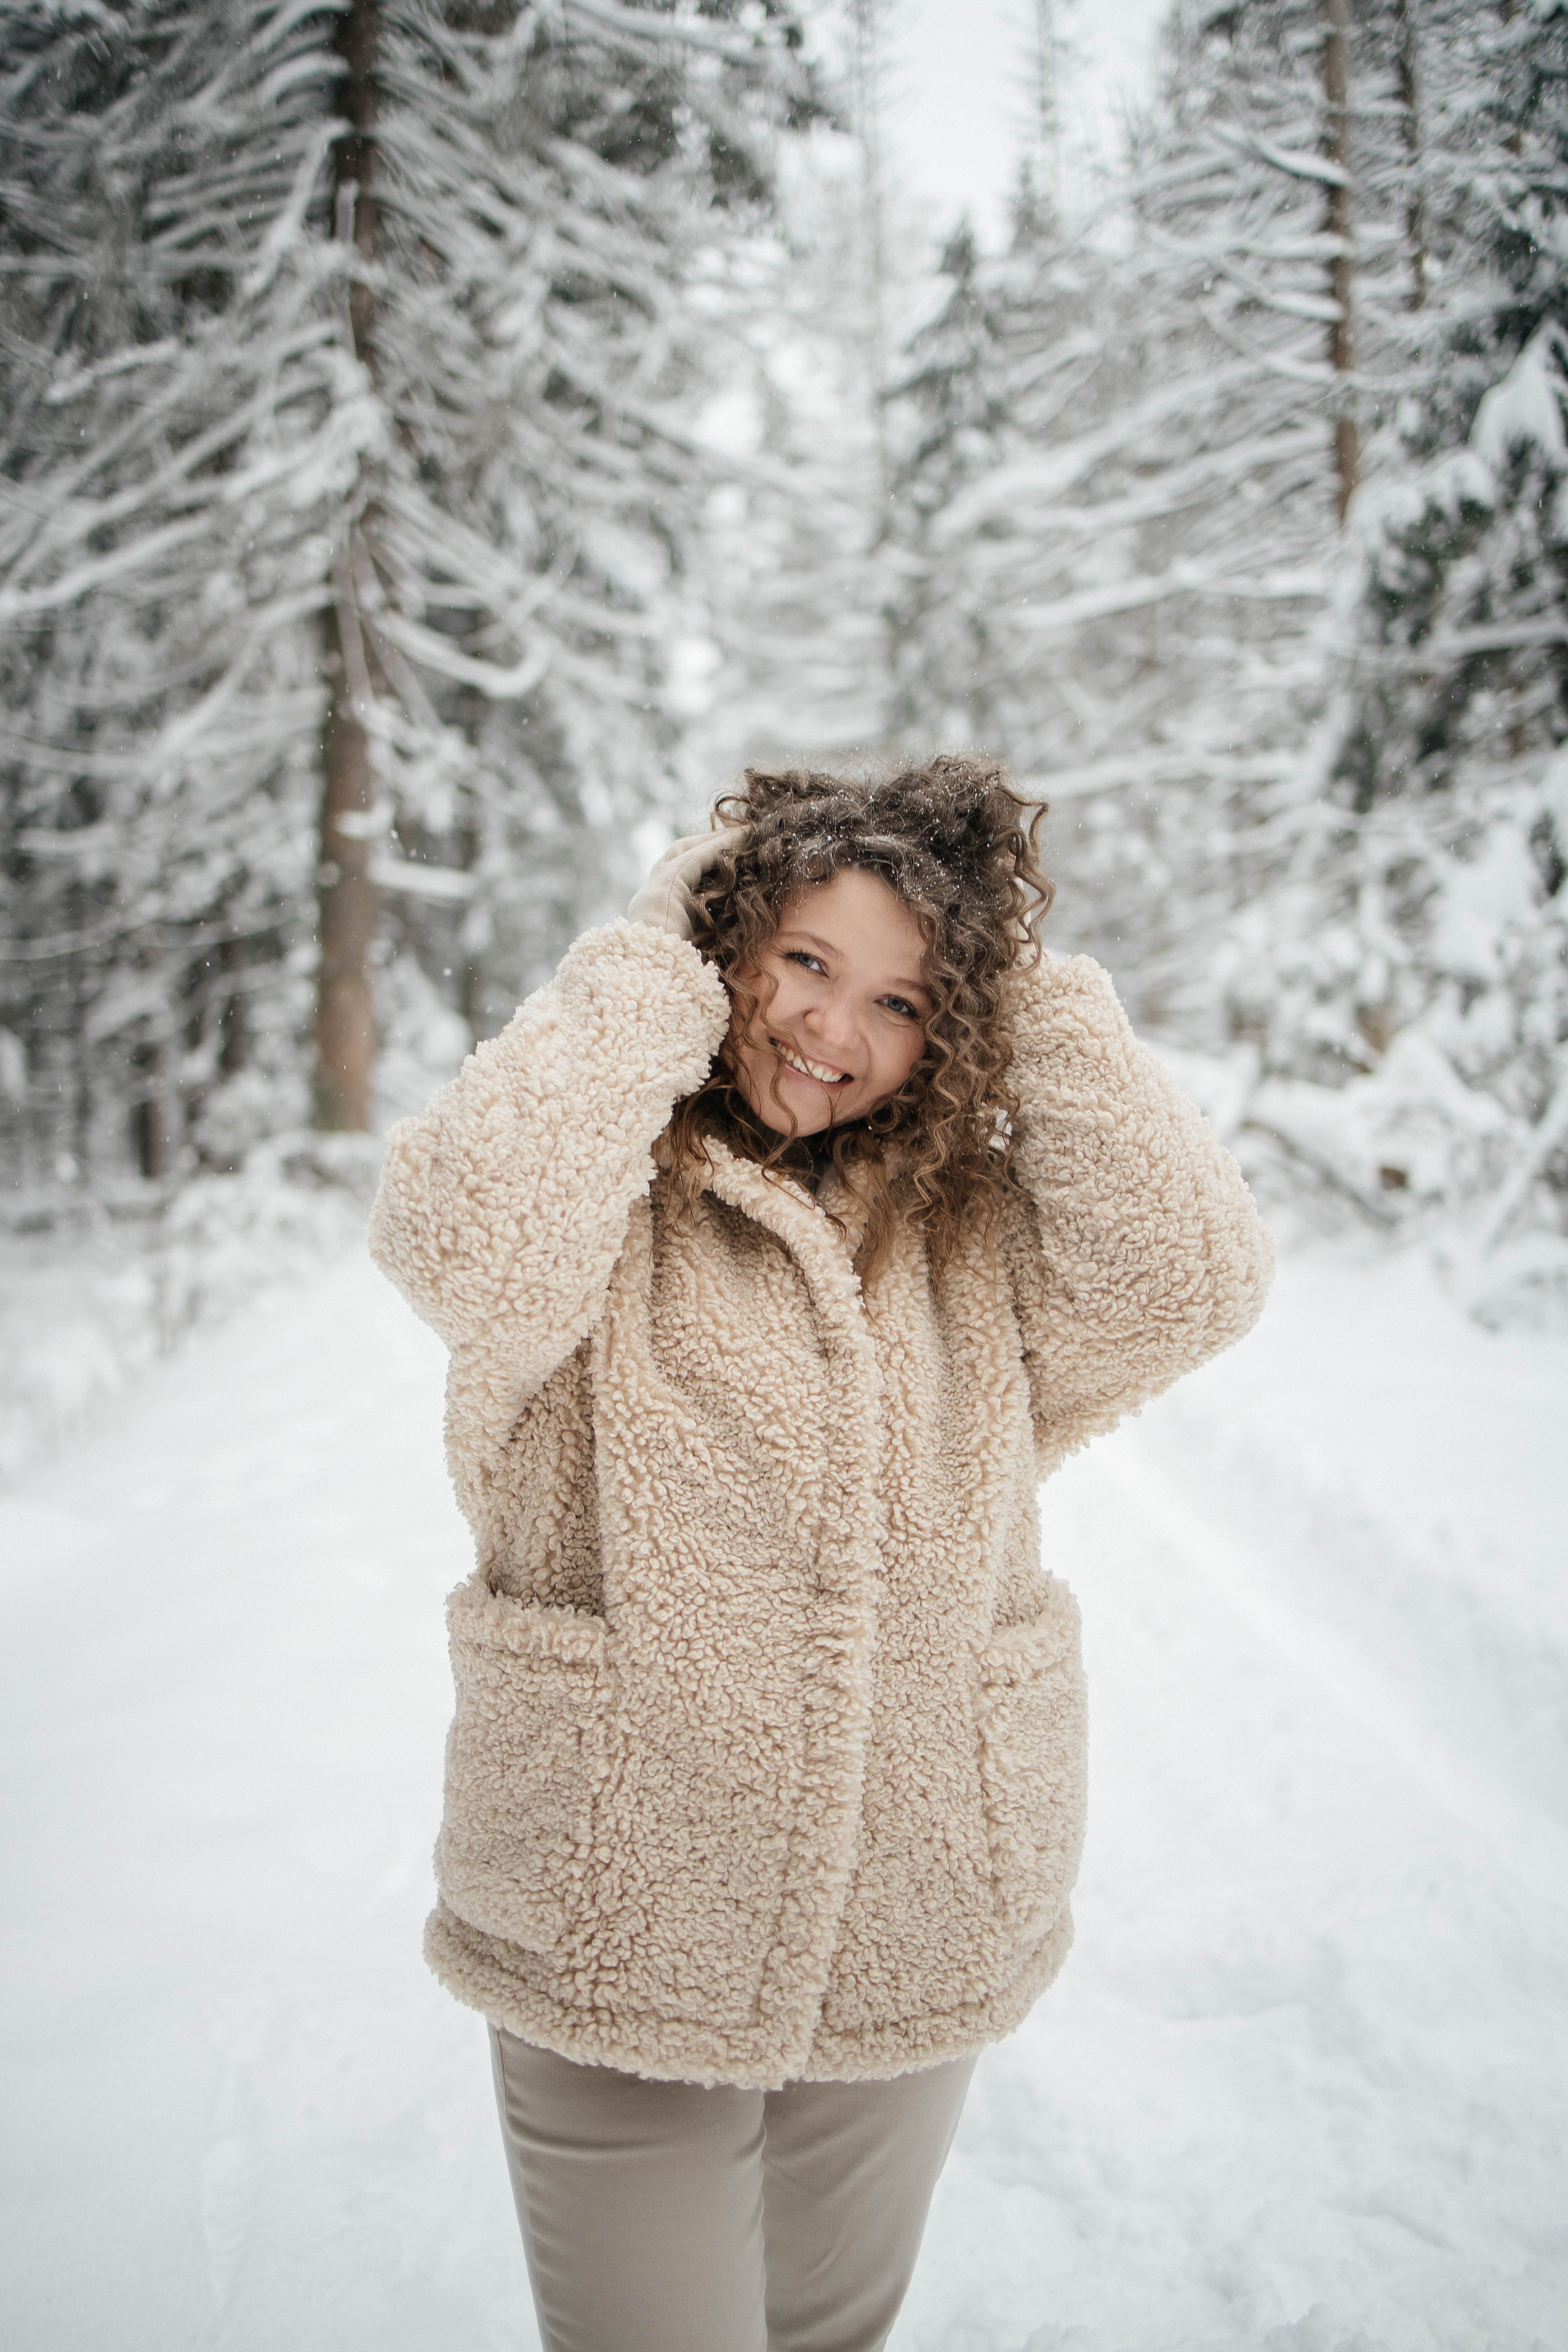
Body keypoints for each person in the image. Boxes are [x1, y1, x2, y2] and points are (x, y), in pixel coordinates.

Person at [369, 755, 1273, 2352]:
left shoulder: (967, 1229)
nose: (834, 1033)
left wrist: (1029, 983)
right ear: (731, 947)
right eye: (802, 963)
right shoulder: (601, 1190)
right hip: (621, 1917)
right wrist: (654, 952)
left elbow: (1193, 1276)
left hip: (916, 1904)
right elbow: (461, 1231)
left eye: (906, 1002)